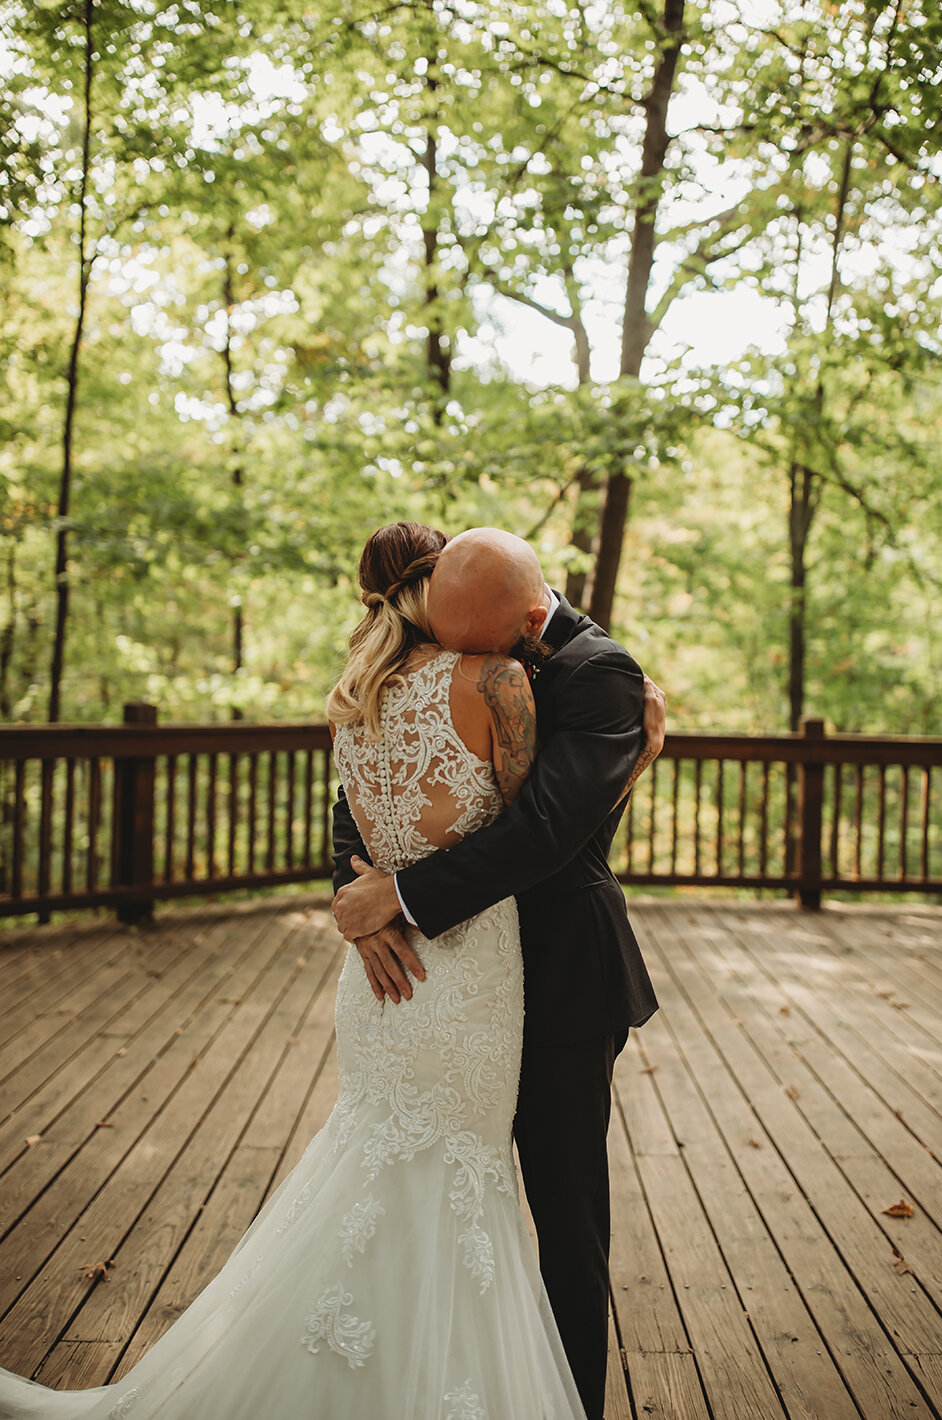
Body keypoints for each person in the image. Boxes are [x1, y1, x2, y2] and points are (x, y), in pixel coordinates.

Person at [0, 521, 591, 1420]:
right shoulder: (499, 681)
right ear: (442, 589)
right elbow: (536, 824)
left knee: (376, 1165)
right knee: (459, 1178)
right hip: (468, 971)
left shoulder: (349, 696)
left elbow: (358, 831)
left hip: (382, 977)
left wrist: (369, 902)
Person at [332, 525, 663, 1420]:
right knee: (437, 1199)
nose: (458, 661)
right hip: (456, 982)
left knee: (565, 1214)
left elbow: (550, 834)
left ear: (523, 615)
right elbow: (359, 805)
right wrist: (362, 902)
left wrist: (399, 897)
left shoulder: (603, 672)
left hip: (558, 975)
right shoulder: (463, 645)